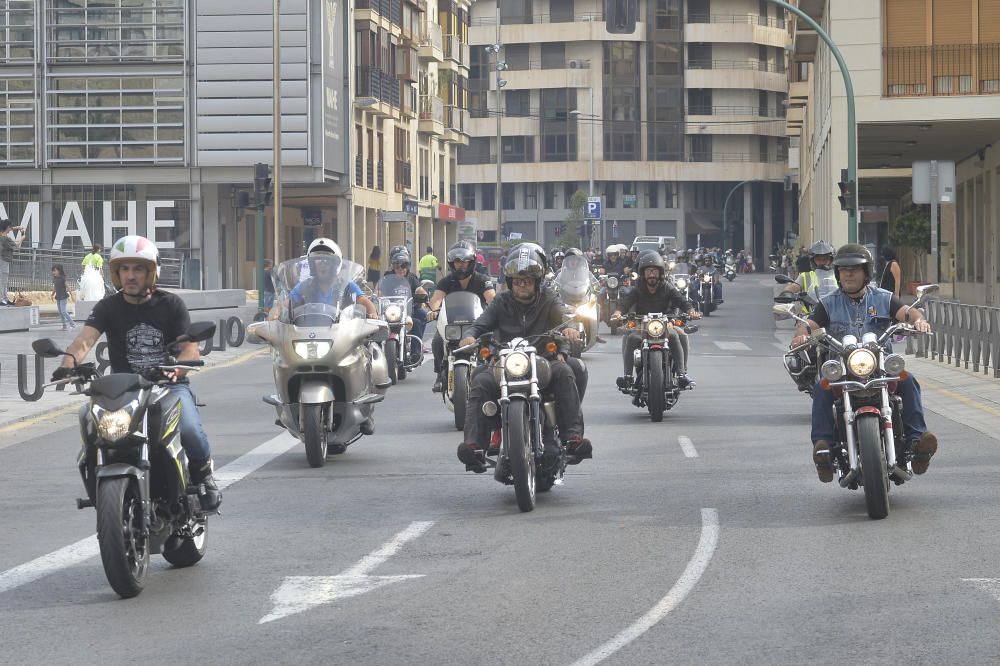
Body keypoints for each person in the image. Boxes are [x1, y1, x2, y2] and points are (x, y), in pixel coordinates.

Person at [53, 236, 222, 511]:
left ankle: (205, 477)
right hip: (126, 389)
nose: (130, 276)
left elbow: (190, 350)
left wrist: (178, 368)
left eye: (138, 269)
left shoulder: (171, 304)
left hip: (168, 384)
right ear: (117, 274)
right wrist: (68, 363)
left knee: (189, 428)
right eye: (125, 269)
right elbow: (83, 341)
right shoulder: (108, 307)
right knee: (92, 427)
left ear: (150, 272)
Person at [790, 243, 937, 482]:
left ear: (866, 272)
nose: (848, 274)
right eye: (843, 269)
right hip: (843, 370)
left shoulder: (883, 298)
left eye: (855, 269)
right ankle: (823, 448)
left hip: (880, 366)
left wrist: (919, 321)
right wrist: (801, 334)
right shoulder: (828, 303)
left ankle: (917, 442)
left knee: (907, 380)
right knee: (822, 387)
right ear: (837, 273)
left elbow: (908, 313)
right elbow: (809, 323)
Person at [455, 243, 592, 473]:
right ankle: (475, 446)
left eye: (527, 281)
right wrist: (469, 336)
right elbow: (481, 324)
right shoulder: (501, 301)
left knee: (565, 371)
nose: (522, 286)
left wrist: (571, 329)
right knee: (480, 378)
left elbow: (563, 316)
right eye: (517, 281)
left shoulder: (548, 298)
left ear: (537, 281)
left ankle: (572, 438)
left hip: (542, 362)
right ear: (510, 282)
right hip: (505, 363)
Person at [612, 252, 700, 393]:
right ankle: (628, 376)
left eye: (654, 271)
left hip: (664, 324)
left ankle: (682, 374)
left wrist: (691, 311)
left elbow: (681, 301)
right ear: (643, 273)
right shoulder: (638, 289)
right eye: (648, 271)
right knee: (630, 337)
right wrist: (617, 313)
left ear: (660, 273)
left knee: (679, 335)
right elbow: (625, 303)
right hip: (642, 325)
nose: (651, 274)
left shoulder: (667, 287)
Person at [427, 241, 496, 392]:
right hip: (451, 325)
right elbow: (437, 299)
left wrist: (494, 310)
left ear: (472, 262)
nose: (461, 265)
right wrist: (434, 309)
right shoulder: (446, 281)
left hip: (477, 325)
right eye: (458, 262)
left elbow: (492, 299)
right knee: (437, 341)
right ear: (452, 263)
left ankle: (491, 370)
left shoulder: (483, 280)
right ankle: (440, 374)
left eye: (465, 261)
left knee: (493, 342)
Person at [289, 238, 378, 317]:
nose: (322, 265)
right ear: (312, 265)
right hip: (309, 332)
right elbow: (288, 302)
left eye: (327, 261)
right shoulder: (305, 285)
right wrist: (277, 311)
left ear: (334, 264)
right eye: (318, 260)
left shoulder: (346, 285)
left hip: (339, 332)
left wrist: (373, 313)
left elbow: (364, 301)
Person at [384, 247, 427, 356]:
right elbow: (379, 290)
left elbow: (419, 289)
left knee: (419, 319)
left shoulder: (412, 277)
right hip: (391, 311)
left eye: (404, 266)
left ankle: (416, 352)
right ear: (393, 266)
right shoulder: (387, 277)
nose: (401, 269)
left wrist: (423, 294)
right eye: (397, 266)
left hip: (408, 311)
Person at [784, 240, 838, 312]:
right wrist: (786, 294)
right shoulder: (806, 276)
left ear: (831, 259)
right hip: (811, 314)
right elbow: (794, 287)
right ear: (813, 260)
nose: (822, 262)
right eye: (818, 259)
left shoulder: (839, 275)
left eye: (825, 259)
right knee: (800, 323)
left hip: (837, 312)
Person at [0, 220, 26, 306]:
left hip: (3, 260)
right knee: (3, 281)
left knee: (4, 280)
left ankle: (4, 299)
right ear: (7, 227)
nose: (11, 229)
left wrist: (17, 228)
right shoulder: (6, 239)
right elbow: (17, 246)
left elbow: (9, 228)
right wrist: (22, 238)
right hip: (3, 260)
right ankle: (2, 299)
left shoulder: (1, 235)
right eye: (10, 227)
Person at [51, 264, 76, 330]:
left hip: (63, 297)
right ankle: (64, 326)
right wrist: (52, 294)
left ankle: (72, 323)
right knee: (60, 312)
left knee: (63, 311)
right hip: (58, 297)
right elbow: (55, 288)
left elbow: (68, 287)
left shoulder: (63, 278)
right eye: (53, 271)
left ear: (59, 271)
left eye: (55, 270)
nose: (53, 272)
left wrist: (72, 295)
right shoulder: (55, 279)